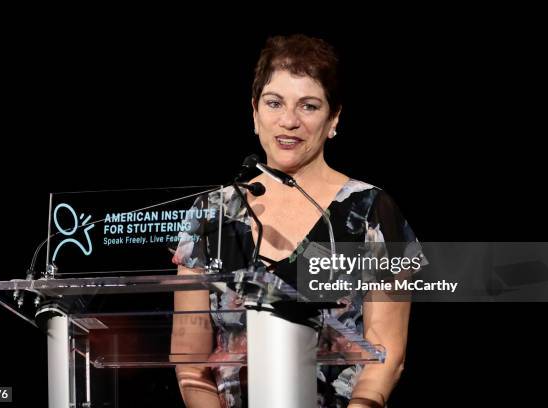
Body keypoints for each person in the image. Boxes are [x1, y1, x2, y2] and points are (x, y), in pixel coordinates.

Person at [170, 34, 423, 408]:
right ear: (254, 112)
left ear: (333, 118)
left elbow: (387, 357)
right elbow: (190, 364)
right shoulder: (210, 214)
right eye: (275, 103)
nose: (289, 121)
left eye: (308, 106)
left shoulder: (373, 211)